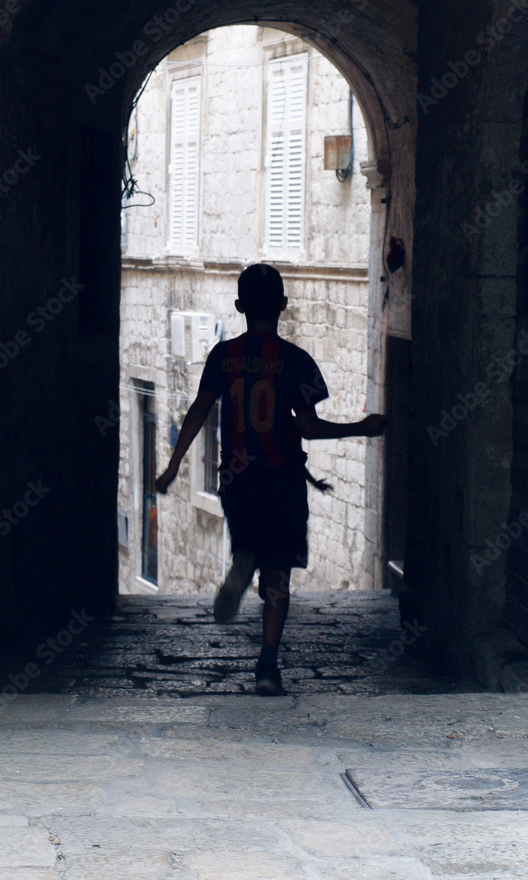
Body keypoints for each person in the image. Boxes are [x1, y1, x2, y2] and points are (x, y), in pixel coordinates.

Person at [155, 264, 386, 696]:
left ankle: (244, 558)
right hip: (281, 480)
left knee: (251, 545)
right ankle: (266, 667)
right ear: (283, 305)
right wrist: (363, 427)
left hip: (237, 480)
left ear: (240, 307)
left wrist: (173, 466)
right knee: (280, 575)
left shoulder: (223, 357)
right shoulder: (296, 361)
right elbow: (308, 429)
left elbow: (199, 411)